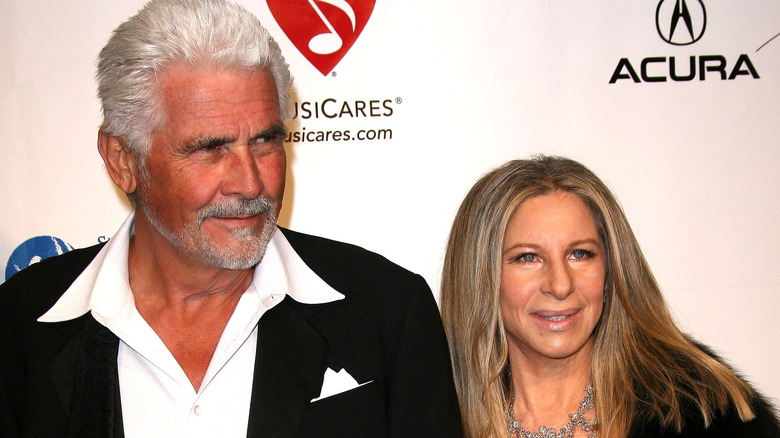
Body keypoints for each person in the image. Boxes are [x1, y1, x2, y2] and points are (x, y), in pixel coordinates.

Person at [0, 0, 462, 437]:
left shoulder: (388, 313)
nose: (250, 183)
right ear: (123, 160)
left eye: (265, 141)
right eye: (210, 148)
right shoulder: (16, 326)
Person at [440, 155, 780, 437]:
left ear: (611, 269)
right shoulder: (431, 412)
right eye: (527, 257)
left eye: (581, 254)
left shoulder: (703, 411)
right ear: (481, 276)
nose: (560, 285)